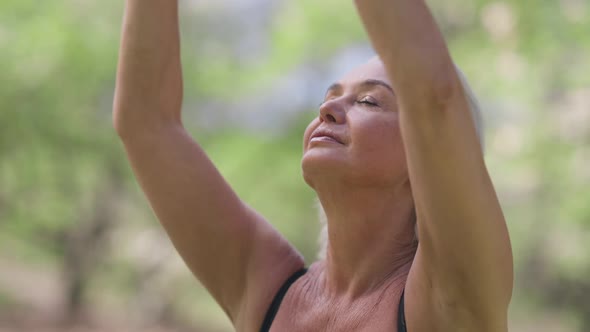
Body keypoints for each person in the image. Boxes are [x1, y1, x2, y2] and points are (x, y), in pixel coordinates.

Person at [113, 0, 514, 331]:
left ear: (426, 161)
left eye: (369, 101)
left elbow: (434, 96)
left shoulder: (452, 298)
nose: (327, 109)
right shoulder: (266, 289)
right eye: (330, 95)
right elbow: (146, 122)